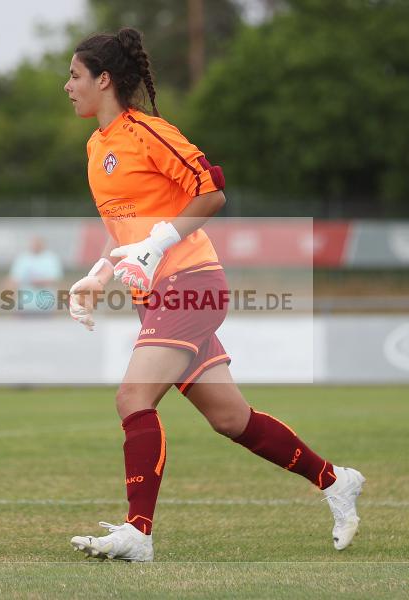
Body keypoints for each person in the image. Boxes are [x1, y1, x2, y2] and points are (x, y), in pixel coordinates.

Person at [63, 28, 364, 562]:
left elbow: (212, 192)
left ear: (103, 79)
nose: (67, 86)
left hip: (192, 283)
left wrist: (157, 244)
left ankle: (138, 533)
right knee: (232, 419)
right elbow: (122, 230)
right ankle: (335, 480)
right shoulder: (96, 146)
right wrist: (98, 275)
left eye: (75, 75)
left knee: (132, 398)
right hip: (158, 296)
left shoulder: (149, 133)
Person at [5, 236, 63, 315]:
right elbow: (13, 280)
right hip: (24, 306)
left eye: (38, 243)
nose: (35, 245)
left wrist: (38, 282)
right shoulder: (22, 258)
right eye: (33, 243)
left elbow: (56, 279)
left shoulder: (51, 258)